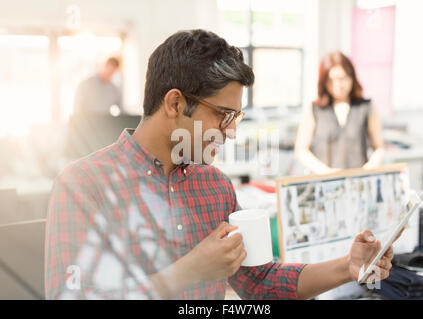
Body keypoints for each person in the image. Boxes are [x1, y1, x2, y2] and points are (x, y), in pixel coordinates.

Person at [46, 30, 396, 300]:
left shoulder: (214, 186)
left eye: (236, 117)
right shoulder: (83, 186)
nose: (230, 133)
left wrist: (349, 267)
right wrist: (186, 272)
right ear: (175, 103)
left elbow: (260, 280)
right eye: (222, 115)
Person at [295, 51, 384, 175]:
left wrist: (369, 168)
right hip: (323, 183)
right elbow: (301, 150)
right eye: (331, 80)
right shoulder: (315, 109)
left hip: (357, 183)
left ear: (352, 77)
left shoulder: (365, 107)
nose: (338, 85)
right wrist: (325, 172)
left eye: (342, 78)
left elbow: (379, 147)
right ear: (324, 81)